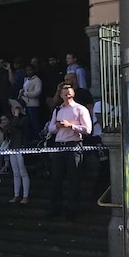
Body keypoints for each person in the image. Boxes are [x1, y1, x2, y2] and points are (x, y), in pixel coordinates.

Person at [47, 84, 92, 219]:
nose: (67, 96)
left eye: (69, 93)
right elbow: (50, 129)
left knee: (74, 179)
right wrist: (58, 126)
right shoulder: (57, 110)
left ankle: (72, 210)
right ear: (60, 95)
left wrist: (71, 126)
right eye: (64, 93)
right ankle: (56, 208)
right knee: (56, 179)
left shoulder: (80, 109)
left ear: (73, 94)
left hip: (73, 145)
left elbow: (87, 129)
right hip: (59, 145)